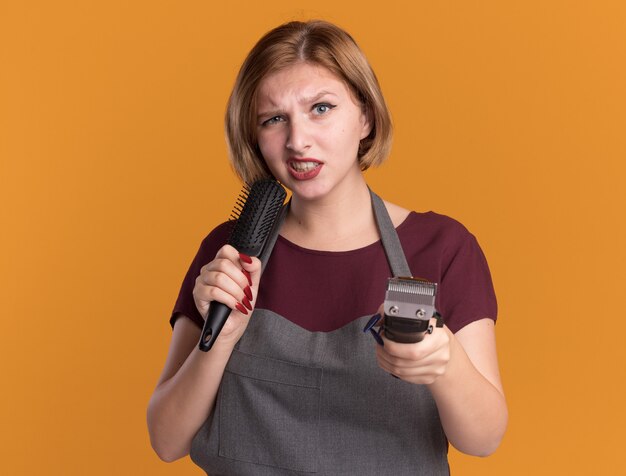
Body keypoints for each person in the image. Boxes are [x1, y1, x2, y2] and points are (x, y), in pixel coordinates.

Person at [147, 19, 507, 475]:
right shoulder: (230, 250)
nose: (298, 141)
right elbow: (166, 439)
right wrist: (221, 340)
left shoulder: (441, 247)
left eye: (321, 108)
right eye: (274, 119)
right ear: (256, 137)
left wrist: (445, 362)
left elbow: (484, 439)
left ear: (366, 117)